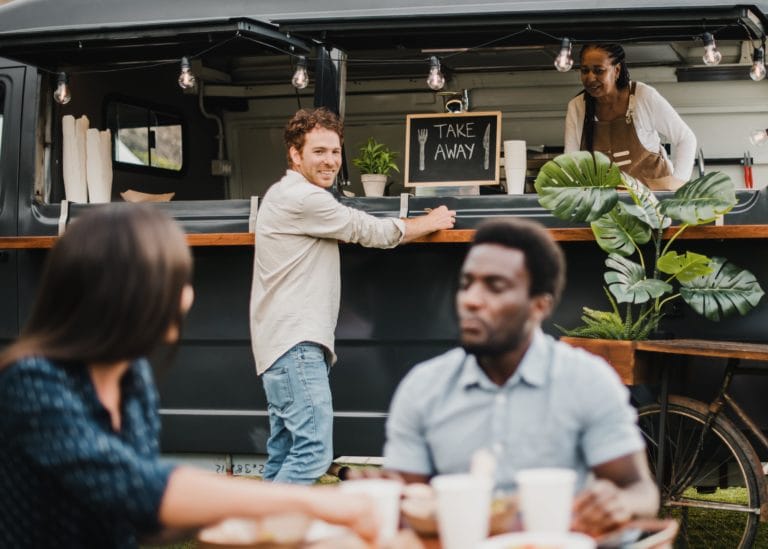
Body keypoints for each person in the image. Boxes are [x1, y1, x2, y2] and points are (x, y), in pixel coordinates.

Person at [0, 204, 377, 548]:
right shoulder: (32, 382)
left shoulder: (131, 378)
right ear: (123, 293)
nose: (187, 297)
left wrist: (240, 523)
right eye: (176, 281)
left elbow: (143, 521)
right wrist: (319, 505)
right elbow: (138, 488)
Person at [382, 218, 659, 536]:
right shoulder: (423, 388)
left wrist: (620, 503)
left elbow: (641, 492)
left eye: (495, 286)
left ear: (539, 306)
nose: (471, 300)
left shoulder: (588, 381)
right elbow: (407, 504)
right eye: (466, 283)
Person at [250, 107, 456, 485]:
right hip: (295, 345)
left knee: (283, 452)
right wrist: (431, 221)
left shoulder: (284, 194)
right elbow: (369, 231)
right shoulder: (303, 198)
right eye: (319, 151)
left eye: (335, 151)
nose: (330, 161)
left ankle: (259, 535)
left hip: (281, 345)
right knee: (312, 452)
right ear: (295, 155)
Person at [564, 42, 697, 191]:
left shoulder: (643, 96)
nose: (590, 77)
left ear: (617, 70)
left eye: (599, 71)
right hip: (609, 208)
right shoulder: (576, 107)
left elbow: (686, 138)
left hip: (654, 204)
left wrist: (677, 182)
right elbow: (571, 163)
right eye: (584, 70)